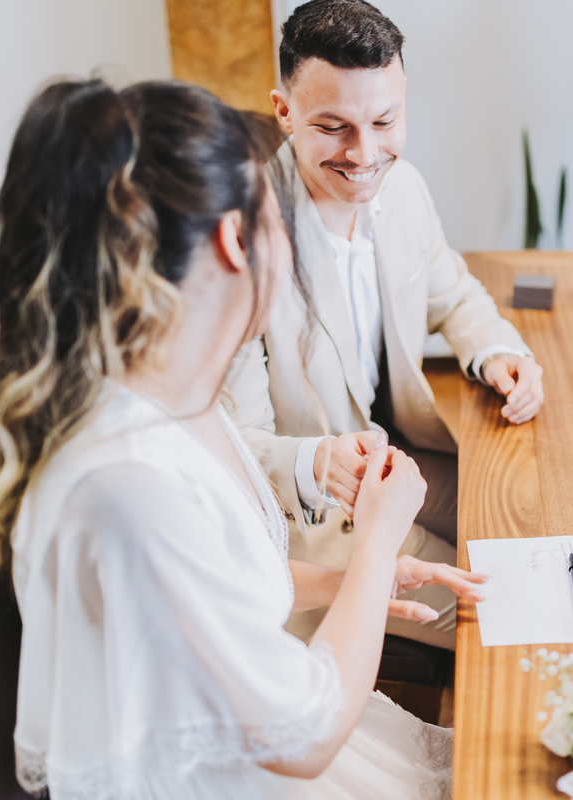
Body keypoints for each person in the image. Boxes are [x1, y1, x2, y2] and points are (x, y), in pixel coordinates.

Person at [0, 77, 486, 798]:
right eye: (279, 220)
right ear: (236, 237)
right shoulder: (125, 478)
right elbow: (306, 735)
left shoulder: (177, 396)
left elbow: (221, 585)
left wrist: (356, 581)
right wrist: (378, 542)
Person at [228, 0, 544, 649]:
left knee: (545, 523)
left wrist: (494, 353)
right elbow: (231, 446)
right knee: (510, 617)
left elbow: (453, 292)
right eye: (333, 127)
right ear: (285, 112)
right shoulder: (241, 244)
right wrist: (315, 460)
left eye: (383, 120)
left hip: (410, 453)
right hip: (325, 518)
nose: (365, 153)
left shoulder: (404, 190)